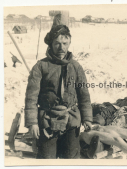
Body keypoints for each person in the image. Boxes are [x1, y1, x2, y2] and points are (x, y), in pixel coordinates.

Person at [24, 24, 93, 159]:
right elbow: (31, 98)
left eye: (64, 43)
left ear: (69, 43)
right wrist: (32, 123)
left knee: (71, 159)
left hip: (71, 121)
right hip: (47, 122)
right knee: (46, 160)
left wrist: (87, 119)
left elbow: (84, 96)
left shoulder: (76, 67)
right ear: (51, 44)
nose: (61, 47)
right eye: (57, 44)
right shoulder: (40, 67)